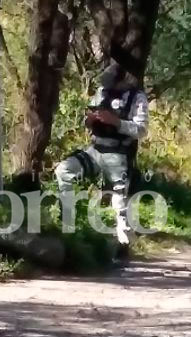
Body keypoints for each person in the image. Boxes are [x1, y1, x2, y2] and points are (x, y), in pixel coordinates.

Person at [56, 63, 149, 260]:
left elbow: (141, 130)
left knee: (119, 202)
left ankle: (124, 245)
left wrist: (116, 122)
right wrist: (89, 121)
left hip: (118, 153)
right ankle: (68, 226)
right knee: (63, 170)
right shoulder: (102, 91)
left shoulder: (137, 97)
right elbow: (88, 117)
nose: (109, 88)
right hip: (95, 149)